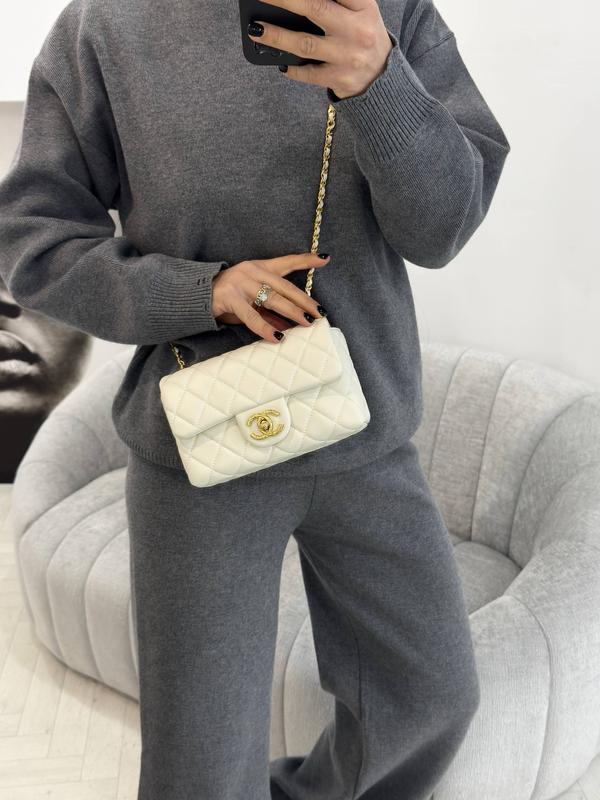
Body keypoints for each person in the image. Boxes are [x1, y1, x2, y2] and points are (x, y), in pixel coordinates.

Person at [0, 0, 511, 798]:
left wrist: (380, 82)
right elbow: (34, 241)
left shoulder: (385, 10)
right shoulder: (105, 26)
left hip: (363, 434)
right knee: (202, 769)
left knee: (430, 698)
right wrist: (200, 293)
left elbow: (442, 230)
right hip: (198, 450)